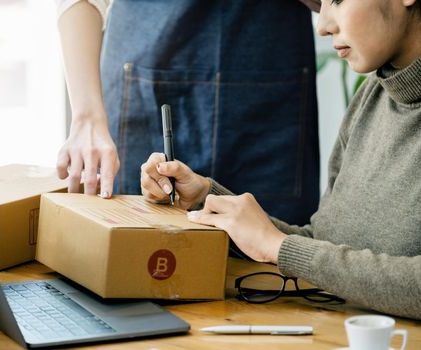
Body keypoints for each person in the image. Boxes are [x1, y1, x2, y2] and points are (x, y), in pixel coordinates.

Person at [141, 0, 421, 319]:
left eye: (337, 0)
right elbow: (326, 246)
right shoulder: (373, 95)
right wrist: (205, 199)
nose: (322, 25)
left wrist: (278, 247)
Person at [53, 0, 321, 227]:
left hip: (273, 99)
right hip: (146, 87)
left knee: (276, 273)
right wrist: (86, 116)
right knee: (139, 259)